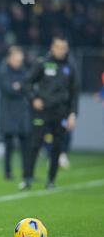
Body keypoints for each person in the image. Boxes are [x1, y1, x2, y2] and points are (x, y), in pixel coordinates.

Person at [20, 36, 79, 190]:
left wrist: (73, 114)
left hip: (61, 112)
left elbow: (74, 93)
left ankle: (51, 180)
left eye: (64, 47)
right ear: (52, 47)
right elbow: (26, 82)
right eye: (59, 47)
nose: (62, 50)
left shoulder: (70, 67)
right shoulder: (42, 63)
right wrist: (33, 99)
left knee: (57, 147)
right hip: (42, 111)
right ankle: (27, 178)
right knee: (34, 144)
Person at [0, 46, 30, 181]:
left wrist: (19, 86)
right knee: (9, 146)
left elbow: (28, 86)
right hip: (8, 113)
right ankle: (8, 172)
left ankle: (26, 173)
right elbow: (9, 89)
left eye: (20, 58)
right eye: (17, 58)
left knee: (25, 145)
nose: (19, 61)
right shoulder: (4, 71)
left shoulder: (24, 70)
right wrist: (21, 87)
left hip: (22, 113)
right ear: (10, 58)